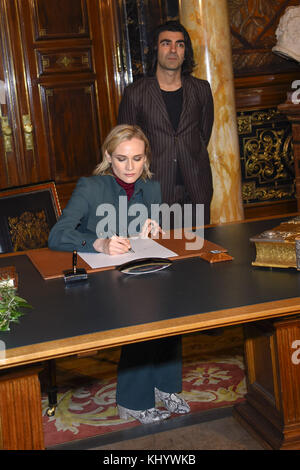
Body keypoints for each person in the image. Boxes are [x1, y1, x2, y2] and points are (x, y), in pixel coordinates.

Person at [48, 124, 190, 424]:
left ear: (146, 159)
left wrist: (149, 230)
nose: (130, 167)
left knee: (170, 305)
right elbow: (57, 235)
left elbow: (140, 233)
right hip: (99, 277)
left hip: (136, 268)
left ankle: (164, 387)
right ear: (108, 157)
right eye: (122, 158)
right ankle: (133, 402)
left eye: (137, 158)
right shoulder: (91, 187)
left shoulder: (152, 187)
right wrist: (97, 242)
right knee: (140, 312)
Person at [118, 20, 214, 226]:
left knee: (197, 251)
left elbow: (203, 133)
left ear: (185, 51)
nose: (173, 50)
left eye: (179, 44)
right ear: (155, 48)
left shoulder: (201, 89)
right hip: (152, 192)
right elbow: (124, 144)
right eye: (166, 43)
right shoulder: (136, 93)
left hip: (196, 189)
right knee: (158, 254)